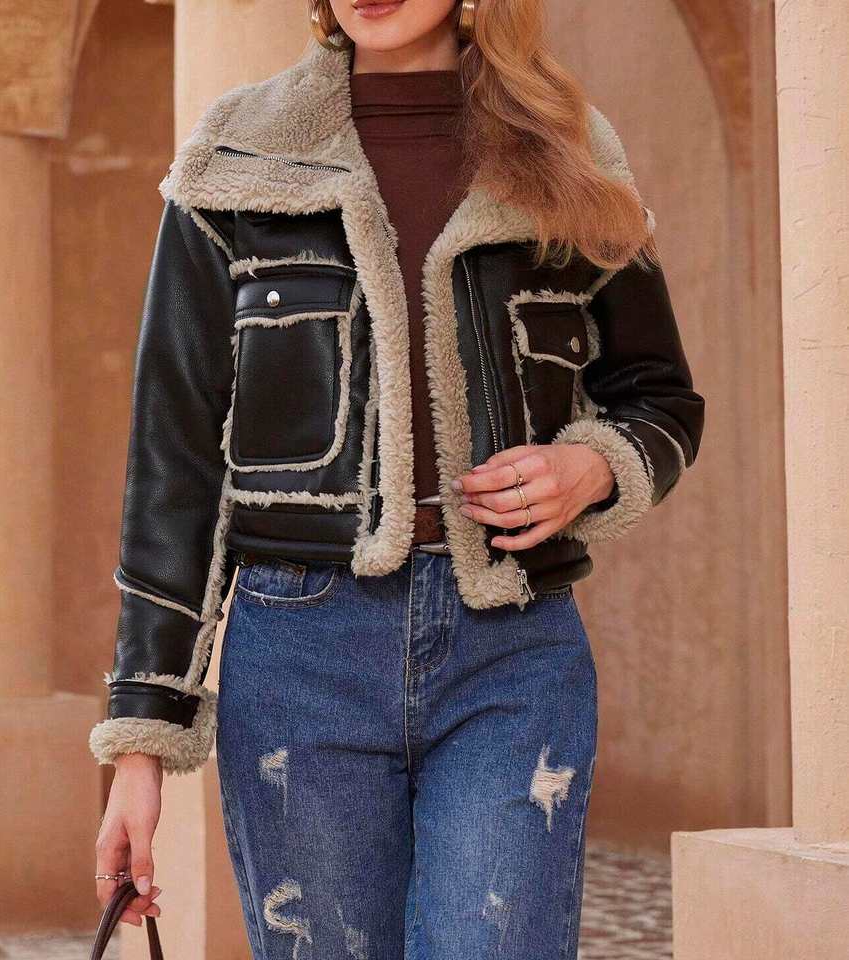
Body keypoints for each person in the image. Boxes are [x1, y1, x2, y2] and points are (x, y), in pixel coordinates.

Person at [91, 1, 705, 957]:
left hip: (511, 647)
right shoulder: (239, 155)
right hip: (299, 655)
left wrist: (589, 467)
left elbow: (661, 398)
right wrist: (141, 741)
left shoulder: (568, 148)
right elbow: (175, 458)